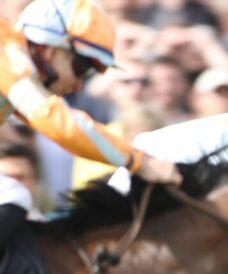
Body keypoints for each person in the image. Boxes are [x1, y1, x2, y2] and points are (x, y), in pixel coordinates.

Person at [0, 0, 180, 248]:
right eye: (81, 67)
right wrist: (138, 161)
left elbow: (67, 121)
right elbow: (58, 121)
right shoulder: (10, 55)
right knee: (13, 194)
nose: (78, 85)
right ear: (51, 50)